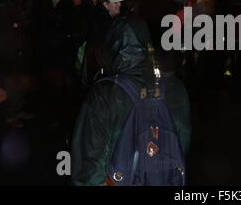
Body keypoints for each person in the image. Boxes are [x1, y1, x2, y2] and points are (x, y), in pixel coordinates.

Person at [71, 17, 191, 186]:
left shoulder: (104, 93)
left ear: (111, 46)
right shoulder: (176, 88)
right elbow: (181, 145)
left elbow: (89, 163)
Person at [83, 0, 124, 86]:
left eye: (120, 2)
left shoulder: (114, 20)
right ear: (106, 4)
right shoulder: (101, 22)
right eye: (115, 2)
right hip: (100, 69)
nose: (119, 4)